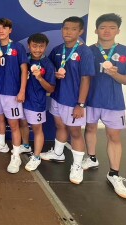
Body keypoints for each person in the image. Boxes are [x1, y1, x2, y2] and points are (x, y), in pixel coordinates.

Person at [84, 13, 126, 199]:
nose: (107, 31)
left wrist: (114, 75)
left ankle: (114, 174)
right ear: (95, 30)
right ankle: (91, 158)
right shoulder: (87, 51)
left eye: (111, 27)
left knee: (114, 136)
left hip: (113, 102)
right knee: (90, 128)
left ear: (118, 30)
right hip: (90, 99)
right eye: (102, 27)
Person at [40, 16, 95, 185]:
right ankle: (58, 153)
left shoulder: (84, 52)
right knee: (60, 126)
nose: (68, 32)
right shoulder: (57, 50)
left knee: (75, 132)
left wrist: (80, 104)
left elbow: (86, 79)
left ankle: (77, 165)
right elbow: (51, 71)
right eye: (65, 28)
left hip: (73, 101)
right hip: (57, 97)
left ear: (80, 32)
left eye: (73, 29)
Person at [0, 18, 28, 173]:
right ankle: (2, 144)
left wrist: (22, 90)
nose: (1, 31)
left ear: (10, 30)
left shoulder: (18, 47)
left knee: (14, 124)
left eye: (4, 28)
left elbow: (24, 70)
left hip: (12, 93)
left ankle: (16, 155)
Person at [19, 33, 56, 171]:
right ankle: (26, 145)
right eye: (34, 46)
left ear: (46, 47)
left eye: (41, 46)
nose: (37, 49)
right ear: (29, 46)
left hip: (36, 102)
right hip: (21, 99)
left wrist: (40, 78)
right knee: (22, 123)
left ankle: (36, 156)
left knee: (37, 129)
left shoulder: (48, 64)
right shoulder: (24, 59)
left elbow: (51, 88)